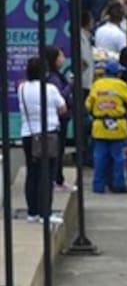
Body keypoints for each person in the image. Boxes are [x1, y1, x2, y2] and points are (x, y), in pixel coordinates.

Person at [18, 56, 69, 223]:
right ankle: (45, 213)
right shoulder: (50, 89)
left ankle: (32, 212)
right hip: (48, 134)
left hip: (28, 133)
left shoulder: (22, 88)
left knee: (32, 173)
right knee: (46, 174)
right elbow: (62, 108)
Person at [86, 60, 127, 194]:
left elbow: (88, 105)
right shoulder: (121, 85)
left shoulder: (97, 84)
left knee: (99, 157)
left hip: (99, 126)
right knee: (118, 157)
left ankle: (98, 186)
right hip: (117, 126)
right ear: (117, 74)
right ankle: (118, 184)